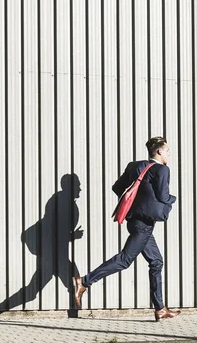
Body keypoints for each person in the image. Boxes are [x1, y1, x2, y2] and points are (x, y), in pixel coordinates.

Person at [74, 137, 180, 321]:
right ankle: (84, 281)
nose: (169, 154)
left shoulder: (135, 166)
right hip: (143, 225)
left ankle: (160, 309)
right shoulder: (162, 170)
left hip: (134, 220)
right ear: (160, 152)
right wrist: (173, 199)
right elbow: (163, 196)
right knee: (125, 260)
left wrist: (136, 203)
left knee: (156, 262)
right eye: (168, 150)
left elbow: (117, 187)